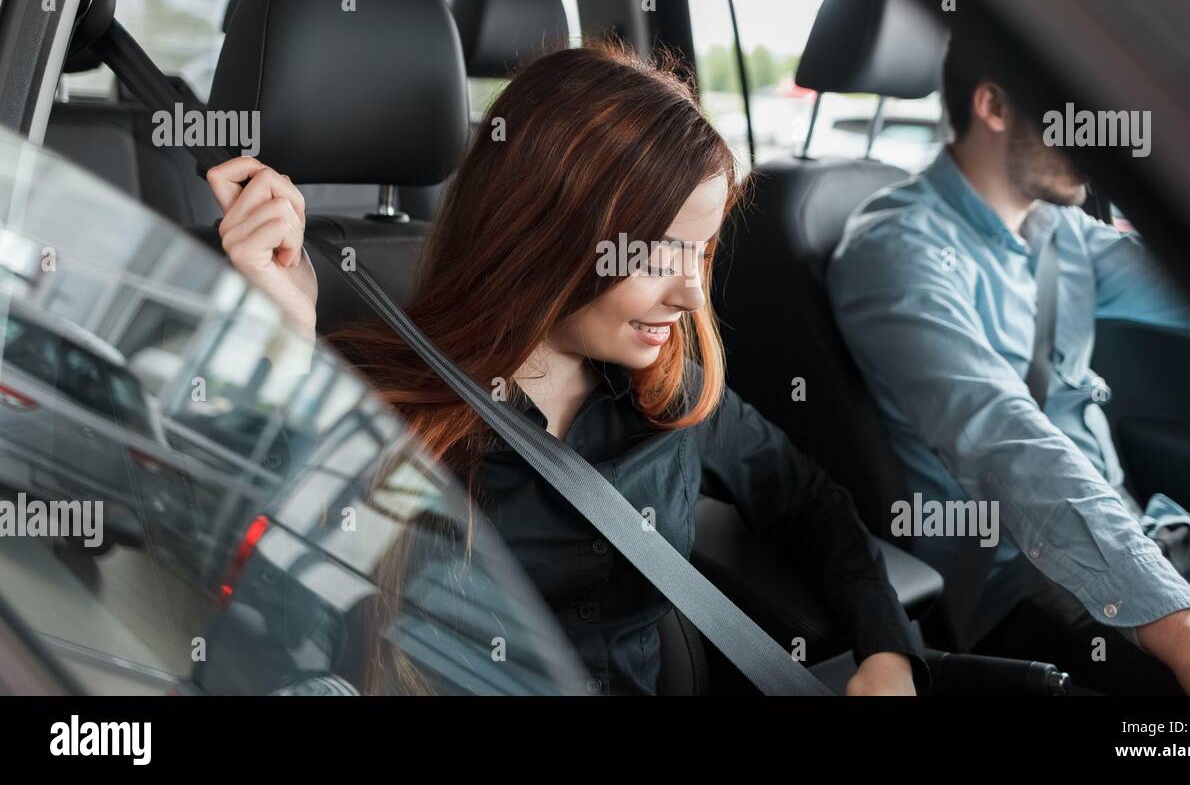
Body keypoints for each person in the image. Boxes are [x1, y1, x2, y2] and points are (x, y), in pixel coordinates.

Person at [206, 40, 924, 696]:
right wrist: (284, 343)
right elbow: (272, 623)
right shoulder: (381, 404)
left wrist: (887, 652)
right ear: (545, 235)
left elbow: (806, 503)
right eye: (652, 255)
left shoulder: (671, 393)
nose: (689, 295)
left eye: (698, 253)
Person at [827, 26, 1190, 695]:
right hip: (1029, 585)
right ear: (993, 108)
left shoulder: (1061, 229)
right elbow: (1009, 444)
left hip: (1143, 533)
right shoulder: (899, 253)